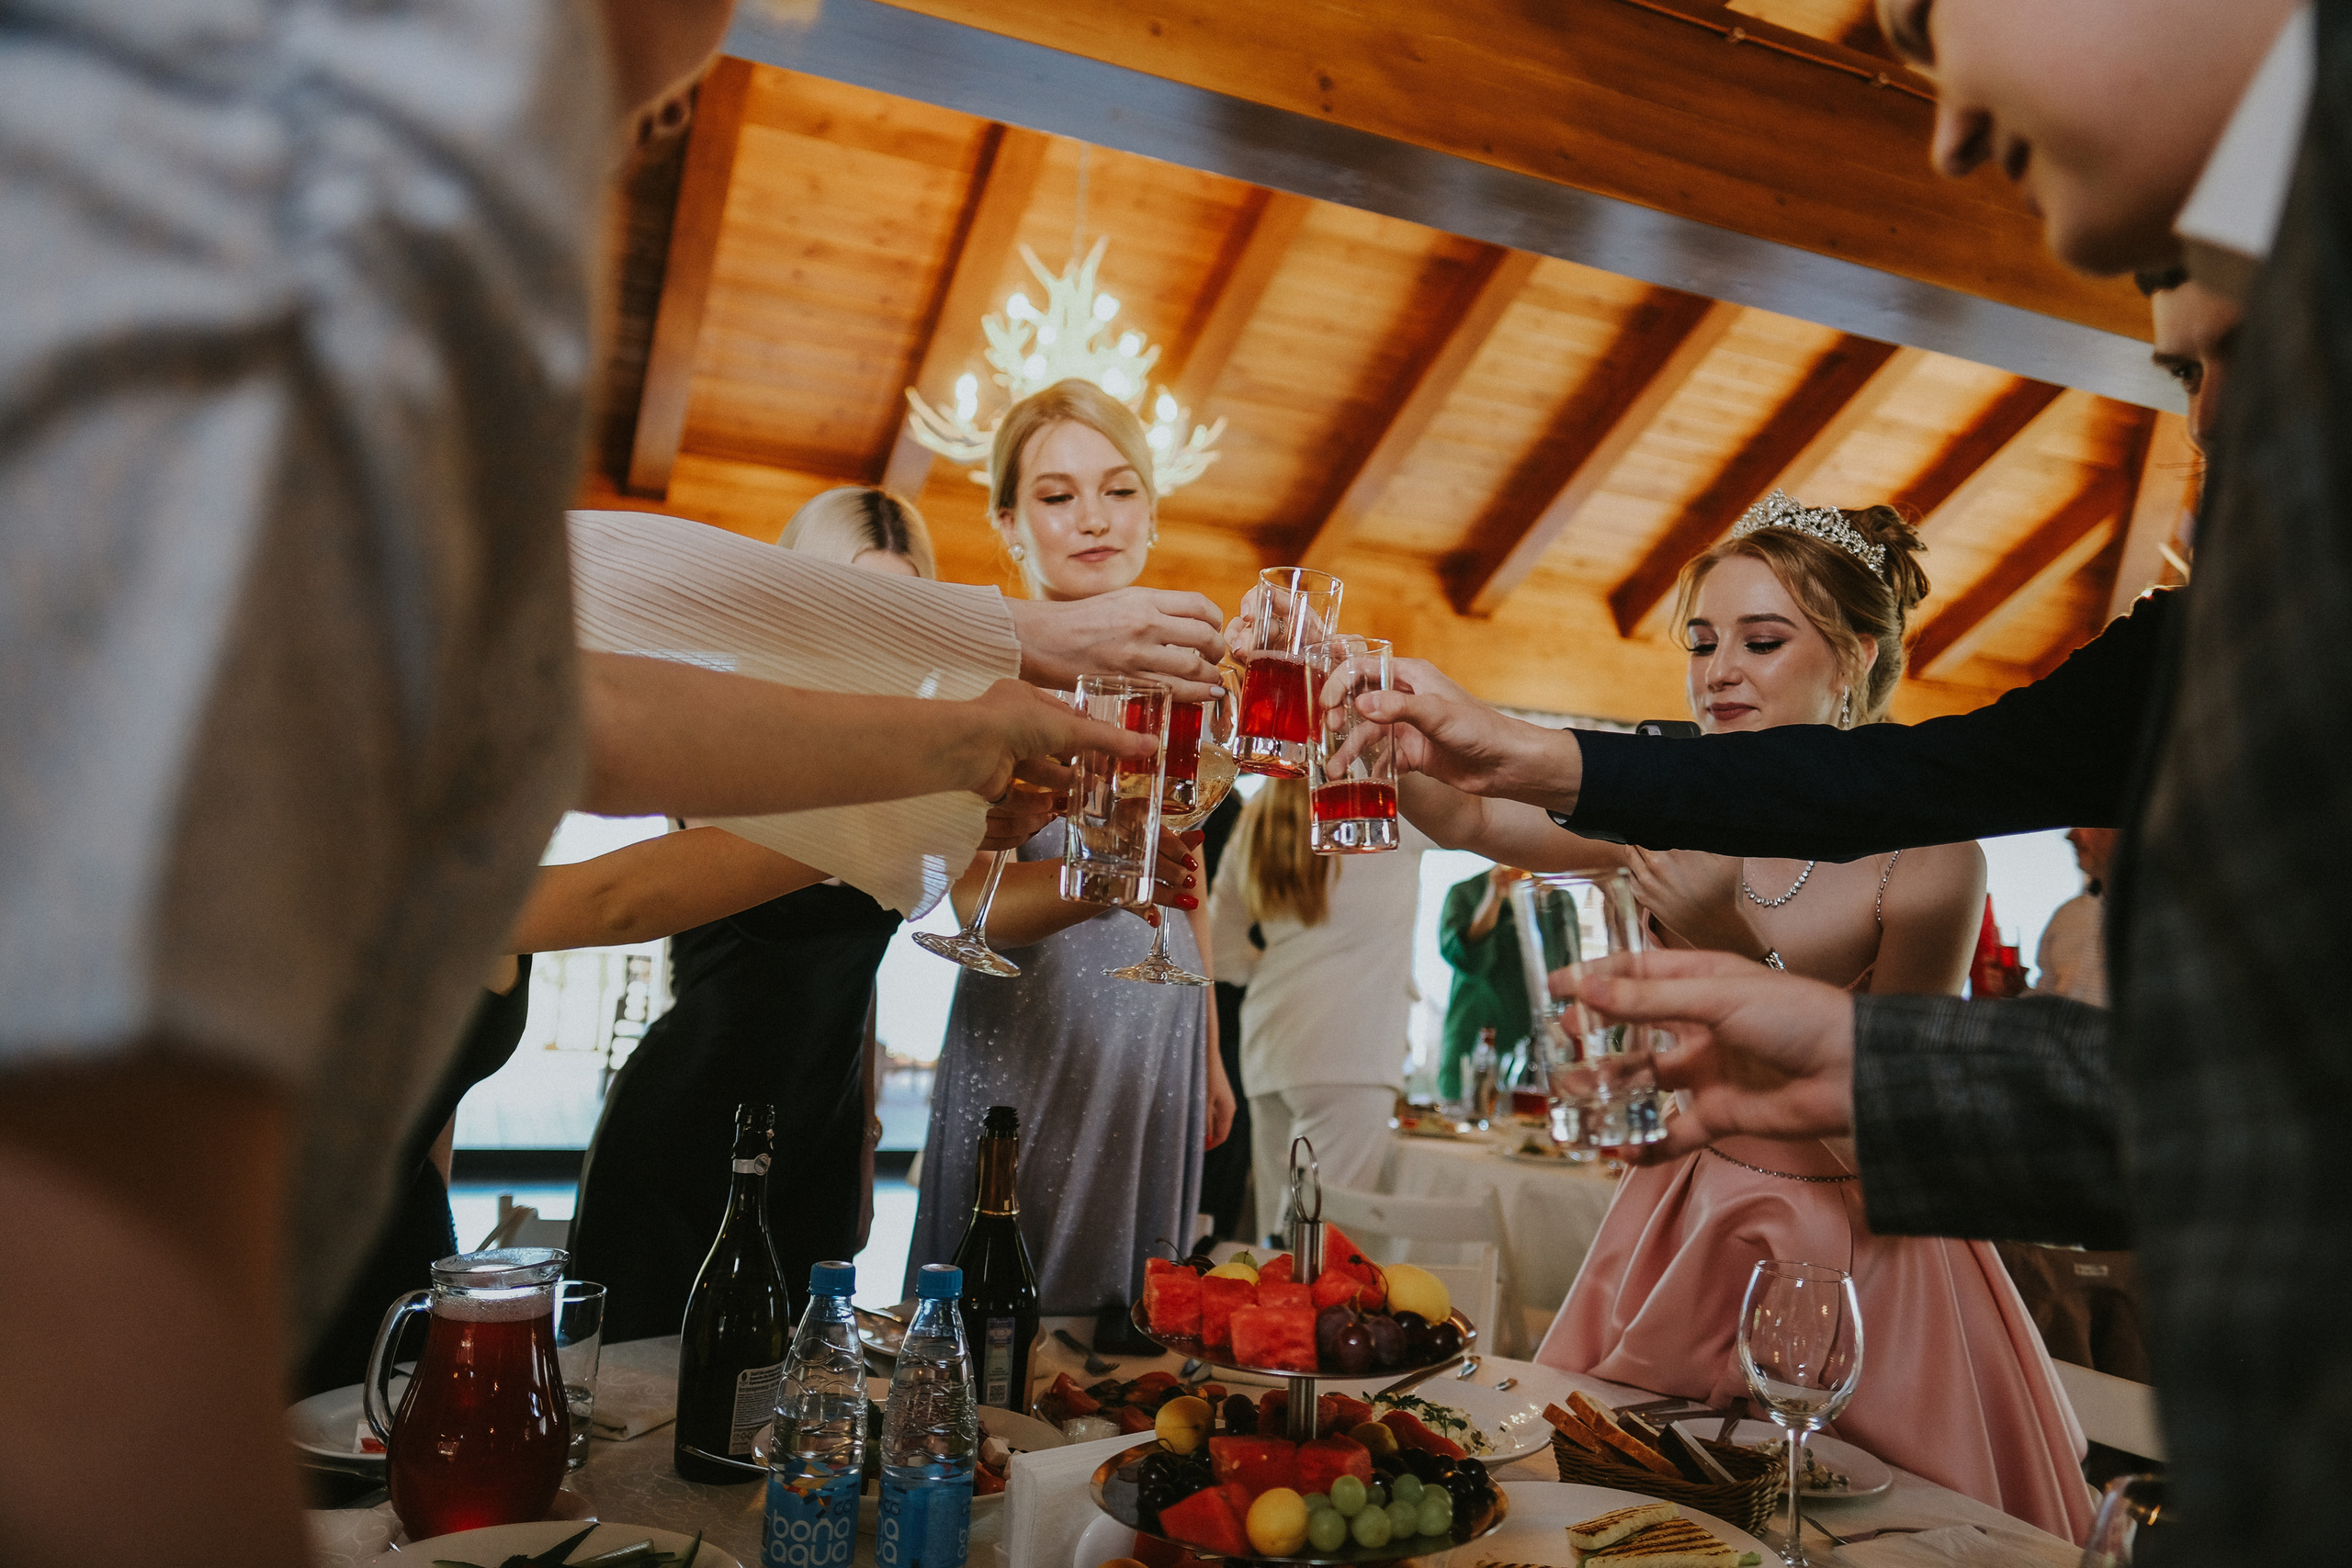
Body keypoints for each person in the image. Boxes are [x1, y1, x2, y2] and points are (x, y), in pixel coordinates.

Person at [1386, 2, 2322, 1555]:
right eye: (2184, 379)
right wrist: (1492, 748)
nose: (1945, 127)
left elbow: (1902, 810)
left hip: (1874, 1251)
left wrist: (1818, 1022)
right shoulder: (2204, 638)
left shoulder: (1934, 834)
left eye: (2233, 357)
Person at [1414, 501, 2090, 1537]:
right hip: (1683, 1223)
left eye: (1761, 641)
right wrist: (1386, 724)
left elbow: (1892, 1123)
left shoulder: (1931, 853)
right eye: (1701, 642)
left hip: (1863, 1254)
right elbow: (1464, 812)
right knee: (1626, 1520)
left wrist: (1732, 951)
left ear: (1856, 657)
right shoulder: (1675, 803)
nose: (1718, 670)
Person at [570, 488, 953, 1339]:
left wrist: (864, 1140)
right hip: (684, 1138)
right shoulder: (724, 727)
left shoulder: (905, 760)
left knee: (784, 1429)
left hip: (820, 1143)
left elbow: (859, 971)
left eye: (900, 605)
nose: (874, 628)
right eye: (854, 599)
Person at [905, 379, 1237, 1315]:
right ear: (1008, 523)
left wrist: (1208, 1047)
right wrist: (1102, 879)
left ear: (1151, 513)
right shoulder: (979, 681)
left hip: (1159, 1029)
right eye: (1056, 496)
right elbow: (966, 905)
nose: (1093, 518)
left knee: (1128, 1340)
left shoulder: (1185, 680)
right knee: (998, 1317)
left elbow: (1186, 875)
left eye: (1119, 490)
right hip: (1028, 1025)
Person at [1210, 779, 1432, 1246]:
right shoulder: (1384, 807)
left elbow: (1219, 945)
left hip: (1270, 1042)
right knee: (1319, 1244)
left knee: (1282, 1234)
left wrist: (1280, 970)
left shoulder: (1256, 816)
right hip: (1352, 1047)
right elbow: (1474, 820)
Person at [1435, 867, 1533, 1101]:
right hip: (1470, 1045)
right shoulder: (1464, 893)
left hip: (1530, 1053)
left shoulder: (1555, 896)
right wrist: (1494, 897)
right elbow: (1468, 961)